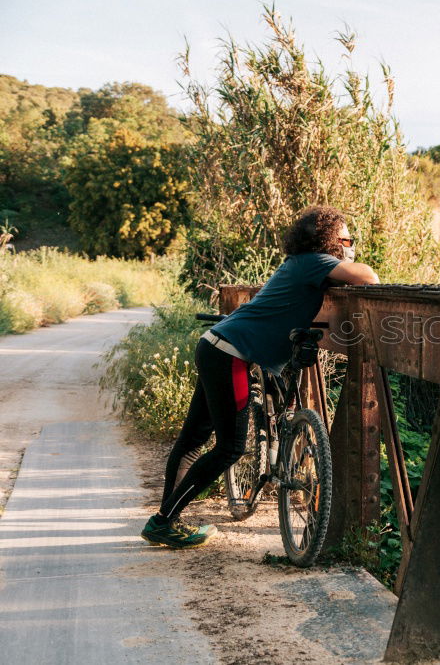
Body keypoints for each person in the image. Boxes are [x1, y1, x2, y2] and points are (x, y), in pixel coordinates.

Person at [140, 206, 379, 548]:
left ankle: (166, 517)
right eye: (346, 239)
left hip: (215, 346)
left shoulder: (300, 264)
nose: (350, 245)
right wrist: (348, 259)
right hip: (230, 355)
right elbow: (368, 277)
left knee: (194, 439)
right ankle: (163, 521)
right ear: (330, 241)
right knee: (229, 448)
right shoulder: (314, 261)